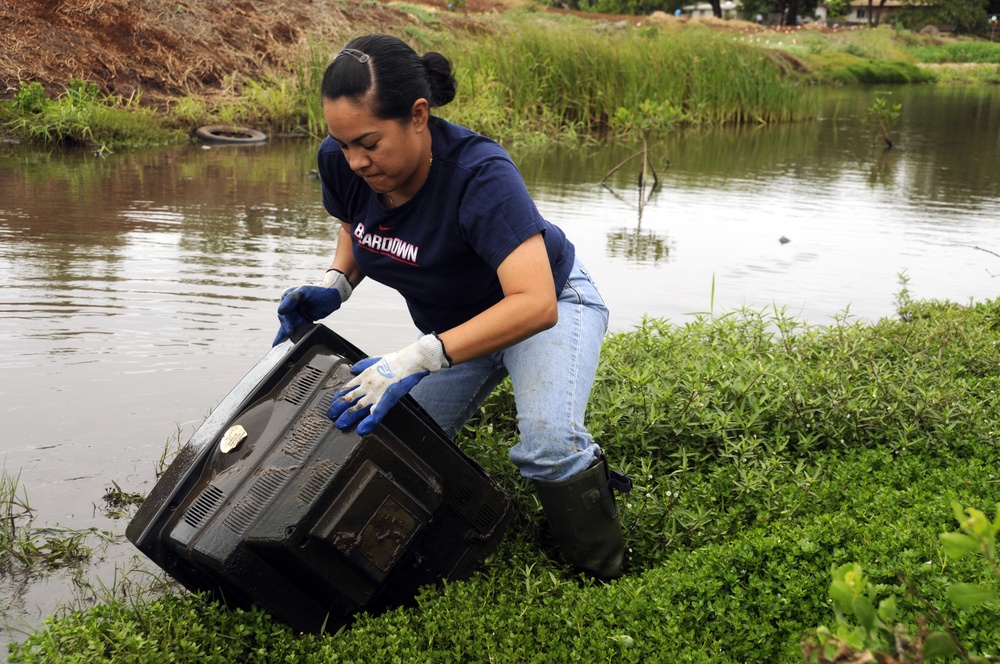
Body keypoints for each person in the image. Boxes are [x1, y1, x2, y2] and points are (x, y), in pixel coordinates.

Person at [273, 34, 631, 579]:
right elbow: (357, 225)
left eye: (368, 142)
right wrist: (337, 283)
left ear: (418, 115)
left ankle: (604, 573)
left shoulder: (479, 175)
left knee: (549, 444)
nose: (355, 161)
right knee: (383, 437)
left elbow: (534, 304)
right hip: (455, 331)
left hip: (547, 304)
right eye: (342, 144)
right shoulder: (343, 162)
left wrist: (412, 359)